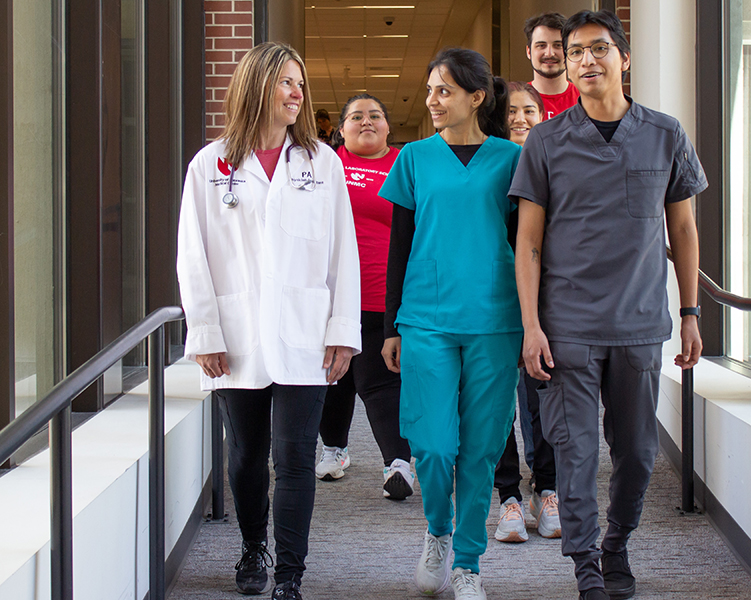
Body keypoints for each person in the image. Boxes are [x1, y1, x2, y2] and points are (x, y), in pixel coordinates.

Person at [510, 10, 706, 600]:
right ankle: (588, 567)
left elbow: (685, 231)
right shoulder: (546, 140)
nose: (586, 60)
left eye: (598, 49)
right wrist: (530, 326)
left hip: (641, 323)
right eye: (574, 52)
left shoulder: (666, 133)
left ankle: (617, 541)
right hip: (568, 324)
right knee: (574, 452)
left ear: (624, 58)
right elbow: (528, 241)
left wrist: (692, 313)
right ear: (565, 66)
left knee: (640, 455)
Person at [176, 42, 361, 600]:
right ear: (256, 87)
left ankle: (290, 573)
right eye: (286, 82)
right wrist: (205, 331)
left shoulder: (321, 163)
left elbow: (341, 254)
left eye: (300, 84)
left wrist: (342, 332)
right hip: (236, 335)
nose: (298, 94)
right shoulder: (211, 165)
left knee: (297, 455)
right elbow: (193, 255)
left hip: (307, 331)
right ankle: (253, 548)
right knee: (248, 454)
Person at [379, 47, 522, 600]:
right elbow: (400, 245)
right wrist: (392, 325)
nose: (432, 101)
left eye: (443, 91)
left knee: (482, 448)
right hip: (426, 318)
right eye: (431, 90)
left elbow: (526, 244)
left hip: (495, 317)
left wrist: (534, 322)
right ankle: (437, 532)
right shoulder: (413, 158)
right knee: (433, 445)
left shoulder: (510, 160)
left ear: (476, 97)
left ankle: (467, 563)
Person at [315, 93, 415, 501]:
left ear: (389, 127)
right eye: (356, 116)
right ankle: (335, 449)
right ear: (341, 129)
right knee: (334, 378)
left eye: (376, 115)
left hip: (382, 294)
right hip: (330, 295)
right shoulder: (325, 164)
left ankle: (398, 464)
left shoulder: (404, 166)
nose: (367, 122)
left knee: (380, 382)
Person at [493, 81, 561, 545]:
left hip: (548, 301)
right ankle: (508, 498)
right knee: (498, 406)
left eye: (530, 110)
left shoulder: (555, 162)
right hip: (495, 302)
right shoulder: (491, 167)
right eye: (512, 111)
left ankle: (548, 489)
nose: (520, 118)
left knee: (545, 399)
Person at [524, 12, 580, 119]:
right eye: (541, 45)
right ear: (528, 52)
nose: (549, 53)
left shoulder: (585, 100)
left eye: (558, 45)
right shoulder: (514, 102)